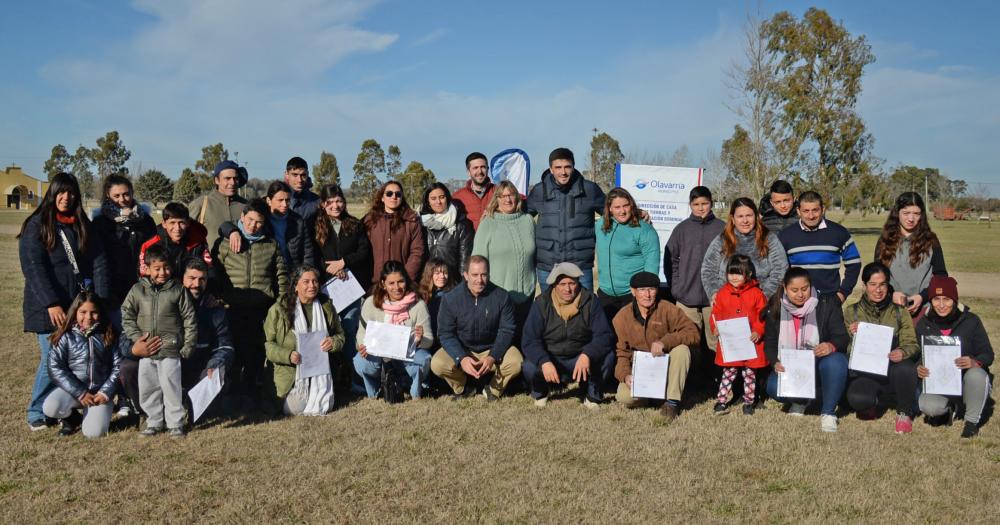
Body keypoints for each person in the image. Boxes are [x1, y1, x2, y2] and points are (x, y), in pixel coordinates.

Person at [18, 172, 109, 431]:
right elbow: (34, 268)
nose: (66, 197)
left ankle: (63, 410)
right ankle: (37, 411)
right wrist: (51, 303)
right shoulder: (37, 224)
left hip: (77, 306)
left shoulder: (80, 223)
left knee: (73, 359)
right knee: (53, 358)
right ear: (52, 193)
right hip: (49, 306)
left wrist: (98, 300)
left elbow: (99, 261)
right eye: (61, 192)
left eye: (71, 193)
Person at [118, 258, 234, 422]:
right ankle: (147, 414)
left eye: (202, 279)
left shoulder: (214, 309)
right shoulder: (157, 301)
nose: (196, 284)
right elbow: (124, 339)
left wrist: (215, 364)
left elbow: (225, 347)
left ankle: (191, 410)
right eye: (191, 279)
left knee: (218, 376)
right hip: (159, 363)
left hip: (194, 366)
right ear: (181, 280)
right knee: (128, 367)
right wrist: (133, 349)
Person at [213, 199, 289, 409]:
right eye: (250, 220)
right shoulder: (225, 243)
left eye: (258, 222)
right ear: (242, 218)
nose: (253, 225)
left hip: (260, 307)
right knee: (234, 351)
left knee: (256, 352)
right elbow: (215, 273)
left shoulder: (271, 245)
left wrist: (282, 301)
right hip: (232, 306)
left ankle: (252, 391)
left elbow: (280, 275)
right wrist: (219, 297)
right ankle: (232, 392)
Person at [121, 244, 198, 438]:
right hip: (147, 352)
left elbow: (189, 319)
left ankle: (175, 423)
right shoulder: (137, 290)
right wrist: (137, 339)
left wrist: (187, 345)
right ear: (147, 268)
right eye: (157, 268)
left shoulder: (178, 290)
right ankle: (153, 421)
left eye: (166, 267)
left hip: (171, 349)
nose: (162, 272)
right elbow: (127, 315)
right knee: (148, 388)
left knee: (171, 388)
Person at [763, 268, 850, 433]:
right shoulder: (775, 308)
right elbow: (770, 344)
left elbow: (841, 337)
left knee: (836, 362)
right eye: (794, 290)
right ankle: (801, 400)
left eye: (805, 288)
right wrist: (775, 362)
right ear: (784, 287)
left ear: (811, 285)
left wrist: (830, 345)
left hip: (819, 363)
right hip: (792, 367)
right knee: (773, 386)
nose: (800, 294)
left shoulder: (826, 303)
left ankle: (828, 412)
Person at [521, 263, 614, 407]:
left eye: (572, 283)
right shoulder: (541, 303)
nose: (567, 288)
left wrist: (587, 354)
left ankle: (592, 395)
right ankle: (541, 393)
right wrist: (544, 361)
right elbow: (530, 340)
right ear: (554, 285)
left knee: (608, 357)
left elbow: (604, 335)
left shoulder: (591, 301)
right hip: (552, 358)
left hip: (580, 358)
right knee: (529, 366)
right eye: (562, 284)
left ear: (578, 283)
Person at [430, 255, 523, 399]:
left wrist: (493, 356)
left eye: (484, 275)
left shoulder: (502, 297)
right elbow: (445, 334)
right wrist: (461, 358)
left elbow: (507, 330)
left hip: (491, 349)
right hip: (463, 349)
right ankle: (464, 387)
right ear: (466, 275)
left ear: (489, 275)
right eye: (474, 275)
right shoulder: (450, 299)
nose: (479, 280)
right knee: (437, 363)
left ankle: (493, 390)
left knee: (516, 362)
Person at [612, 272, 700, 420]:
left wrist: (665, 342)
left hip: (666, 370)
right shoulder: (621, 317)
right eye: (642, 290)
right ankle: (651, 397)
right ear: (633, 291)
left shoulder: (668, 309)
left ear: (657, 290)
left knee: (682, 350)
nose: (647, 294)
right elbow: (622, 353)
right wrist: (625, 375)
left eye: (651, 289)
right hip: (641, 373)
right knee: (623, 397)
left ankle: (672, 402)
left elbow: (693, 334)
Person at [843, 263, 919, 433]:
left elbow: (912, 344)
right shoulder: (851, 311)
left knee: (906, 368)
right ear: (864, 286)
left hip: (893, 369)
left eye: (883, 284)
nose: (878, 290)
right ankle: (875, 401)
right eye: (873, 285)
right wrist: (853, 336)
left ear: (888, 285)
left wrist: (902, 352)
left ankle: (904, 412)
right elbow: (846, 349)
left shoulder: (900, 312)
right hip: (865, 372)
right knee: (857, 399)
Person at [916, 276, 993, 438]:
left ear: (955, 299)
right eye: (936, 299)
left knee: (977, 375)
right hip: (940, 382)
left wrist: (974, 362)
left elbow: (988, 354)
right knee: (928, 406)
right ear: (930, 300)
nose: (942, 304)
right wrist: (919, 367)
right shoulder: (924, 324)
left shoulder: (971, 321)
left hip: (967, 381)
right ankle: (951, 407)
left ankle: (971, 422)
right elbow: (917, 355)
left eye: (947, 299)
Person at [665, 186, 726, 391]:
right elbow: (671, 260)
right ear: (690, 205)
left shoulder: (723, 228)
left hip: (714, 298)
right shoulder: (681, 229)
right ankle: (691, 383)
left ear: (711, 203)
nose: (701, 208)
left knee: (714, 341)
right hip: (686, 298)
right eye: (696, 204)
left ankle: (716, 381)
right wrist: (676, 288)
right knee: (690, 342)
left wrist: (723, 290)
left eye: (705, 204)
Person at [264, 265, 345, 416]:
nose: (312, 286)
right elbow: (268, 346)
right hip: (291, 376)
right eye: (306, 282)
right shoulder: (278, 309)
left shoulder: (326, 306)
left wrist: (333, 342)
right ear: (295, 286)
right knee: (297, 408)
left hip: (321, 372)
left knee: (326, 404)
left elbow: (340, 335)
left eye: (315, 281)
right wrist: (288, 355)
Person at [314, 184, 372, 392]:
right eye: (330, 202)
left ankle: (351, 375)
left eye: (339, 201)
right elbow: (313, 256)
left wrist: (344, 262)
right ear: (323, 204)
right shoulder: (315, 226)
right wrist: (330, 268)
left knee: (349, 329)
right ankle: (330, 375)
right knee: (327, 330)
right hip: (325, 289)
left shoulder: (354, 225)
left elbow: (363, 252)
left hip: (350, 289)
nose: (335, 206)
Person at [44, 291, 122, 438]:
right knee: (50, 407)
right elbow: (55, 367)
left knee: (93, 433)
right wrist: (80, 392)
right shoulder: (65, 335)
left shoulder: (109, 333)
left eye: (93, 312)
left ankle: (97, 414)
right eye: (83, 312)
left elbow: (118, 366)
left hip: (99, 394)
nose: (88, 317)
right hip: (74, 392)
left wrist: (105, 392)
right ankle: (72, 419)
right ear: (75, 312)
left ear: (100, 313)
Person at [526, 147, 605, 291]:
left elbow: (613, 211)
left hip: (580, 265)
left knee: (585, 309)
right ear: (551, 169)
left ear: (573, 167)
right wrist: (496, 211)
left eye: (567, 167)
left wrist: (637, 212)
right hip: (547, 266)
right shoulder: (538, 191)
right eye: (558, 167)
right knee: (549, 310)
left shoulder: (590, 190)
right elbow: (520, 216)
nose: (563, 172)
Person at [355, 261, 434, 400]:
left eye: (400, 282)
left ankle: (414, 390)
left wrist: (420, 339)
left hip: (407, 355)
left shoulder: (418, 304)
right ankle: (376, 390)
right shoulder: (370, 303)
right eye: (391, 283)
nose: (397, 287)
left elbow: (429, 339)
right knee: (360, 362)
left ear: (406, 281)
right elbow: (361, 333)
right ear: (382, 284)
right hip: (381, 357)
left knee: (424, 359)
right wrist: (362, 345)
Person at [91, 174, 156, 325]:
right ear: (108, 195)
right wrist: (103, 294)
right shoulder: (100, 223)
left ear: (132, 193)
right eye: (117, 195)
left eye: (126, 194)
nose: (122, 199)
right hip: (112, 292)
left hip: (141, 289)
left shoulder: (146, 221)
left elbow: (154, 253)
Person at [471, 180, 536, 330]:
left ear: (517, 198)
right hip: (497, 295)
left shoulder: (528, 221)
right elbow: (477, 259)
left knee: (523, 338)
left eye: (511, 195)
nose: (508, 199)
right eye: (503, 196)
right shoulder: (488, 223)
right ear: (497, 199)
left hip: (527, 292)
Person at [710, 255, 768, 415]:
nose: (734, 277)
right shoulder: (722, 293)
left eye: (739, 273)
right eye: (731, 273)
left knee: (750, 374)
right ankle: (721, 401)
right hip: (731, 344)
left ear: (748, 274)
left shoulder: (757, 294)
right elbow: (716, 314)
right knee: (728, 372)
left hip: (750, 343)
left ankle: (749, 402)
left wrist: (758, 331)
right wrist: (715, 327)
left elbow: (762, 316)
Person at [779, 191, 862, 302]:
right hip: (797, 303)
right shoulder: (785, 235)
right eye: (806, 211)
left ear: (823, 209)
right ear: (798, 211)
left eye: (815, 210)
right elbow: (778, 270)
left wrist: (842, 294)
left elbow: (854, 264)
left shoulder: (839, 232)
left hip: (830, 301)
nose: (811, 216)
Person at [874, 192, 947, 317]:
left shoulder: (931, 240)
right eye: (906, 213)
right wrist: (891, 294)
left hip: (925, 311)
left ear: (922, 215)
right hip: (890, 310)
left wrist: (922, 297)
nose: (911, 219)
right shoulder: (884, 240)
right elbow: (876, 275)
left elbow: (941, 276)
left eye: (916, 213)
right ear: (897, 213)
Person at [701, 197, 788, 300]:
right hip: (728, 301)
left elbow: (780, 270)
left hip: (759, 302)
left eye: (749, 215)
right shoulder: (722, 239)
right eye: (740, 216)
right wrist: (715, 294)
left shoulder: (769, 238)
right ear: (733, 219)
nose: (745, 220)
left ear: (756, 217)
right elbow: (708, 270)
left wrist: (763, 296)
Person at [594, 187, 660, 321]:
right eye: (617, 207)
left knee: (633, 339)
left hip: (632, 296)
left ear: (632, 205)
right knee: (607, 338)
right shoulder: (600, 225)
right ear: (609, 208)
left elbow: (651, 266)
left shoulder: (645, 229)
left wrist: (643, 294)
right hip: (606, 294)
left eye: (626, 205)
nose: (622, 211)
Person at [219, 181, 316, 270]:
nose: (285, 204)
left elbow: (308, 251)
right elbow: (226, 225)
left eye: (287, 200)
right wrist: (233, 232)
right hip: (269, 272)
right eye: (280, 200)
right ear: (269, 200)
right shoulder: (260, 217)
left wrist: (304, 273)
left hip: (292, 272)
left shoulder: (298, 221)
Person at [364, 180, 425, 282]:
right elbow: (362, 250)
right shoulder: (369, 221)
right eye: (389, 194)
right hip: (375, 282)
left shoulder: (411, 221)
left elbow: (417, 252)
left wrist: (404, 279)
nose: (394, 196)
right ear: (382, 198)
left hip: (402, 283)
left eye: (398, 194)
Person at [139, 202, 211, 275]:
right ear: (164, 224)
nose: (177, 228)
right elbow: (143, 275)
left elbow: (209, 270)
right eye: (172, 223)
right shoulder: (150, 245)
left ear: (188, 223)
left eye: (181, 223)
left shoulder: (198, 242)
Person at [189, 160, 248, 248]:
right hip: (208, 261)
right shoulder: (201, 204)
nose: (232, 182)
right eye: (227, 178)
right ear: (217, 180)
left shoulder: (247, 206)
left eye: (235, 178)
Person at [420, 182, 474, 278]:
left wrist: (461, 286)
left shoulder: (461, 225)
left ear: (447, 198)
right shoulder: (421, 224)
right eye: (433, 198)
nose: (438, 202)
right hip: (427, 283)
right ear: (427, 201)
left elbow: (465, 260)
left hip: (452, 283)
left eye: (441, 197)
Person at [418, 257, 458, 350]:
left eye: (445, 273)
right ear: (429, 274)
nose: (442, 276)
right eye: (437, 273)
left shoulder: (454, 294)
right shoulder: (421, 295)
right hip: (425, 340)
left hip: (445, 342)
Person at [451, 152, 496, 230]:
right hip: (470, 241)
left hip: (495, 240)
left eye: (483, 167)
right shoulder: (457, 197)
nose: (480, 171)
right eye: (475, 168)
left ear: (488, 169)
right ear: (468, 171)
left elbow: (519, 200)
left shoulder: (499, 192)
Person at [284, 156, 320, 224]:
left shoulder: (317, 202)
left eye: (303, 175)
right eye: (295, 175)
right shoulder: (274, 200)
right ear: (286, 174)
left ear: (307, 174)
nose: (299, 180)